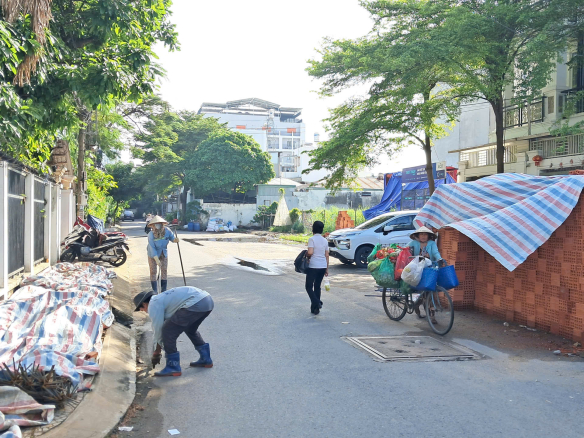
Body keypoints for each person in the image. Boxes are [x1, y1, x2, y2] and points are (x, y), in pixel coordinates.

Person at [134, 286, 214, 377]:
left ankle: (173, 367)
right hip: (207, 301)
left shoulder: (153, 304)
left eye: (141, 309)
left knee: (168, 331)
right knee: (190, 329)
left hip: (196, 303)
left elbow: (158, 329)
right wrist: (158, 349)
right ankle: (205, 359)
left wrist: (157, 350)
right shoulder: (160, 299)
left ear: (144, 304)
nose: (143, 311)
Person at [407, 226, 443, 319]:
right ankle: (429, 312)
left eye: (425, 234)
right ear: (418, 236)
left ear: (428, 236)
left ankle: (428, 311)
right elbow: (406, 251)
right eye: (421, 234)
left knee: (429, 290)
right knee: (425, 290)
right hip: (416, 270)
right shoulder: (413, 243)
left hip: (429, 269)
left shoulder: (432, 243)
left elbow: (435, 253)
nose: (423, 236)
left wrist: (439, 258)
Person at [147, 215, 179, 292]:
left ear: (162, 224)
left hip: (163, 253)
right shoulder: (151, 234)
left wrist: (175, 240)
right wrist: (156, 258)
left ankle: (163, 290)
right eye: (156, 224)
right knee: (153, 272)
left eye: (159, 223)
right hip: (152, 255)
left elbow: (172, 238)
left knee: (164, 271)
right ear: (153, 225)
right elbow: (152, 247)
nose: (158, 225)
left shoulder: (167, 231)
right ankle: (155, 291)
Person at [305, 221, 329, 315]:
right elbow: (327, 255)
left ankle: (317, 302)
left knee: (308, 286)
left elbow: (310, 252)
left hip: (313, 266)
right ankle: (315, 309)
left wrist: (307, 254)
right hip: (322, 266)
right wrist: (327, 268)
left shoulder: (312, 239)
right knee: (317, 286)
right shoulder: (325, 240)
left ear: (313, 229)